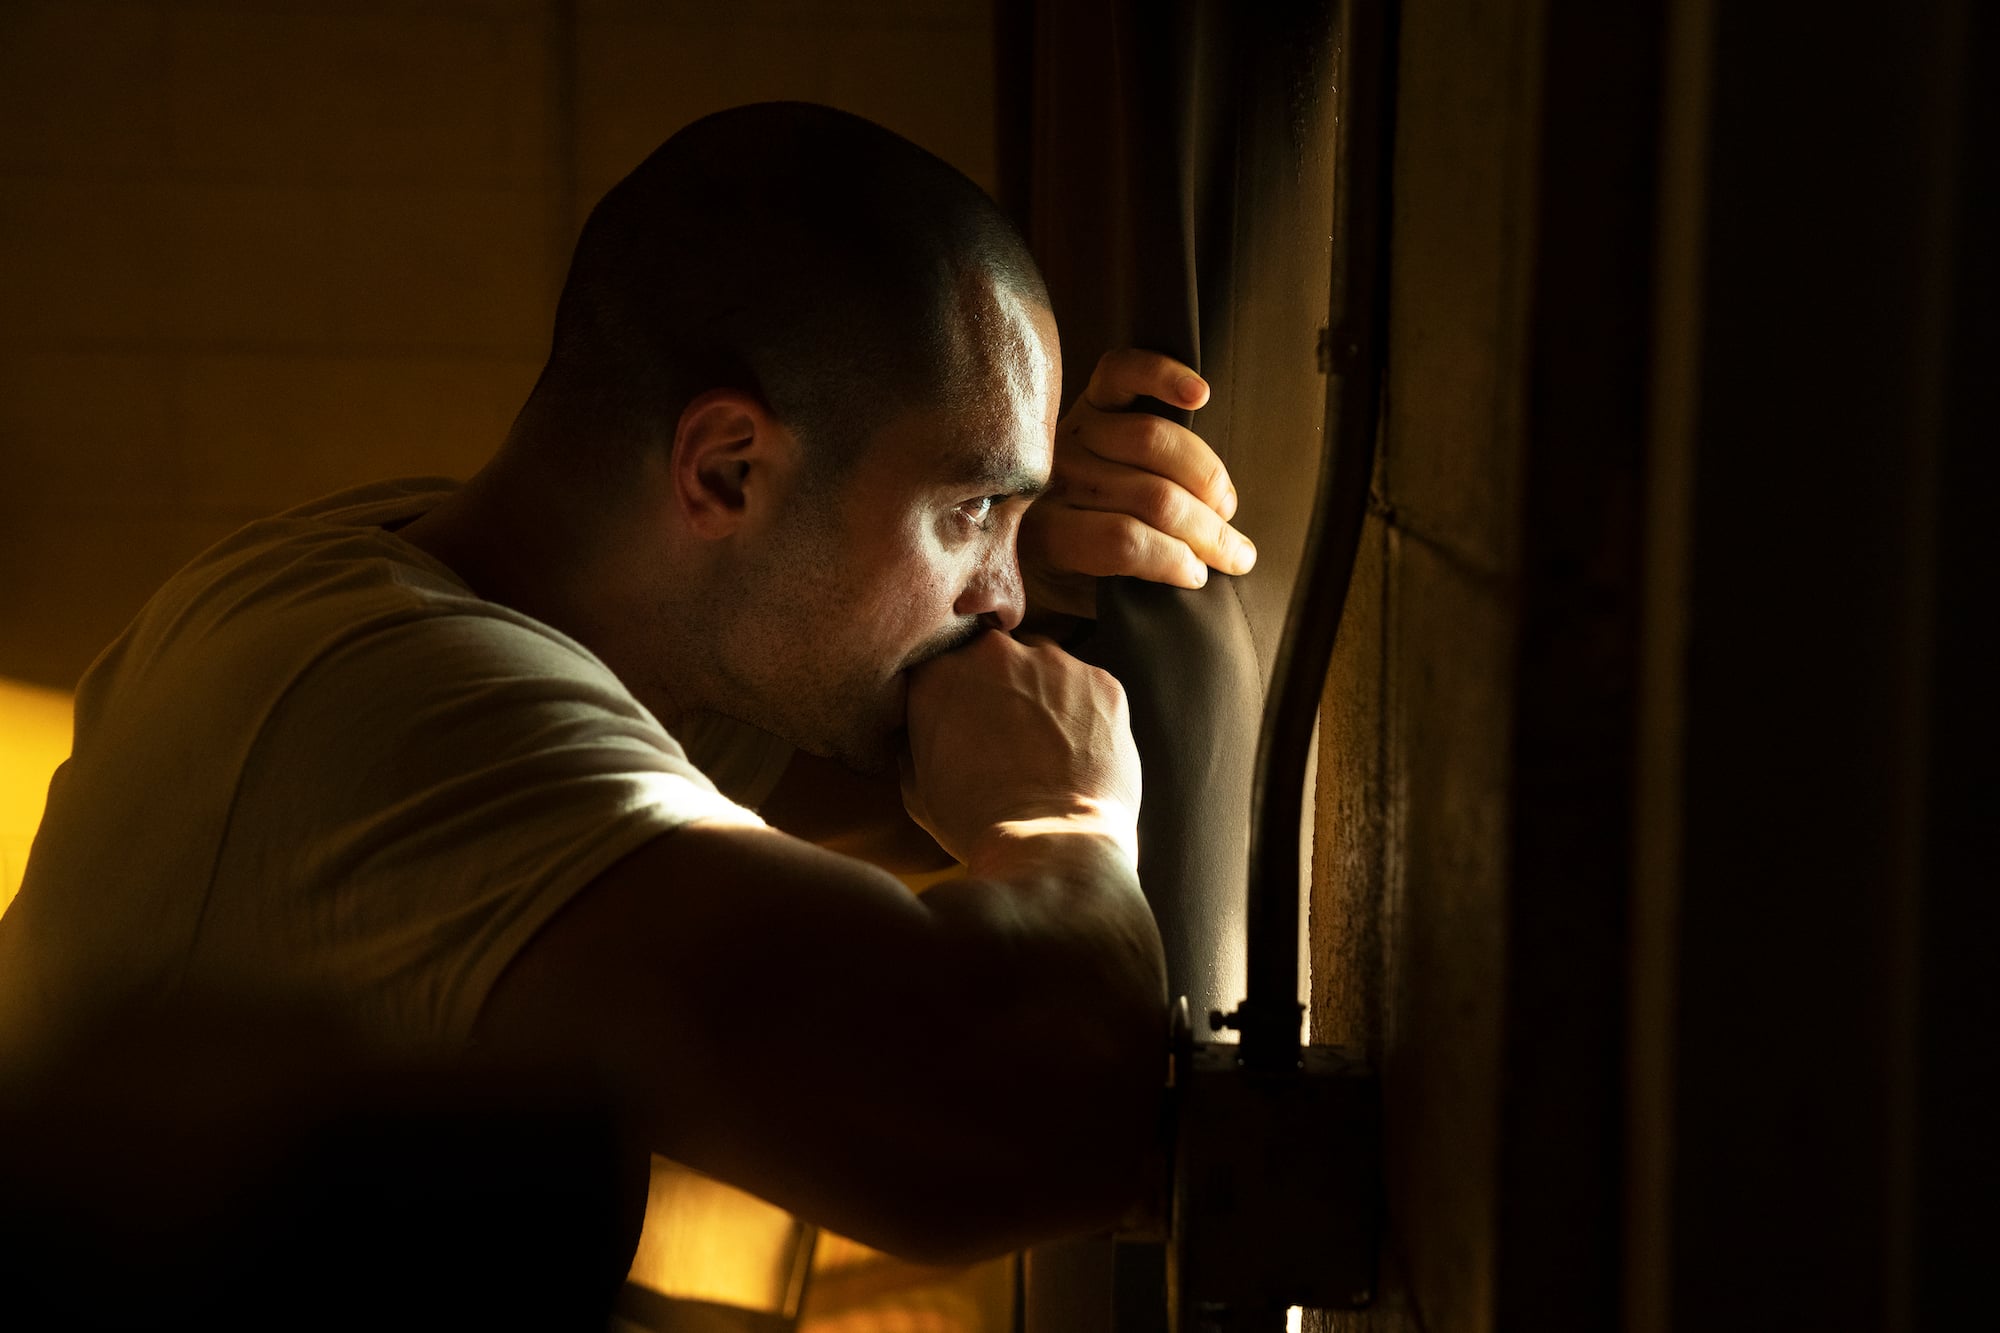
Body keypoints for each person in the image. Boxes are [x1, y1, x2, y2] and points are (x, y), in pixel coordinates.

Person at [0, 103, 1257, 1267]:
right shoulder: (418, 722)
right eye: (970, 509)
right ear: (724, 471)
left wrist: (1021, 537)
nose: (1006, 596)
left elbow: (884, 785)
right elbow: (1026, 1122)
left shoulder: (383, 584)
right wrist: (1063, 819)